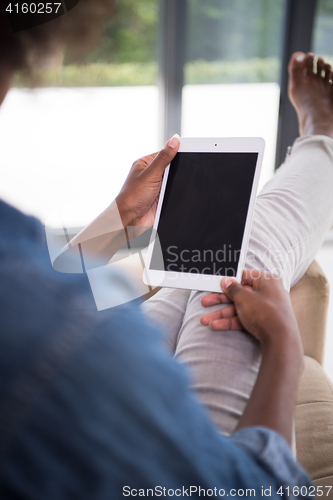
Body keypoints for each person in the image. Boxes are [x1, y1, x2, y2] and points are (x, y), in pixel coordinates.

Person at [0, 1, 331, 496]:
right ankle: (323, 137)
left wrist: (118, 221)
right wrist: (282, 342)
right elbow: (244, 490)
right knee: (246, 250)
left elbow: (33, 294)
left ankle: (321, 141)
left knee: (194, 273)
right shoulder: (67, 342)